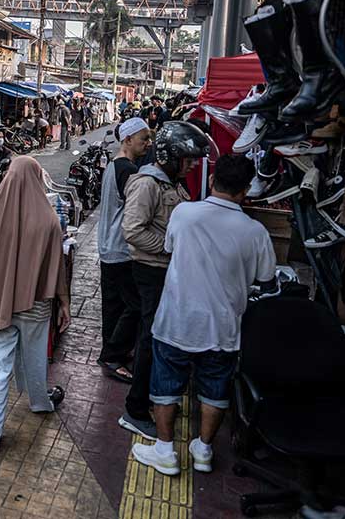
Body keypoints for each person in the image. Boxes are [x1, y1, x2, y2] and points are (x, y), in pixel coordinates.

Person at [132, 154, 275, 476]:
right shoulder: (256, 232)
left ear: (212, 180)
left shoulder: (185, 214)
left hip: (177, 322)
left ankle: (165, 451)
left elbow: (168, 248)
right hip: (223, 328)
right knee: (214, 388)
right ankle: (204, 449)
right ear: (246, 189)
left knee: (166, 386)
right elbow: (266, 281)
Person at [117, 121, 211, 440]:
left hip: (167, 272)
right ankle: (135, 409)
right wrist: (172, 247)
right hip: (151, 271)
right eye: (189, 159)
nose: (193, 165)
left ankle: (157, 400)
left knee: (158, 338)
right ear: (172, 156)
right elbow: (133, 231)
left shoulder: (171, 182)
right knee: (149, 340)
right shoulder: (148, 184)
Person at [0, 155, 70, 455]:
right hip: (37, 305)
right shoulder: (48, 220)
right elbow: (57, 269)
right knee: (35, 360)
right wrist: (64, 304)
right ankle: (40, 403)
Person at [96, 118, 152, 383]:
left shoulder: (112, 166)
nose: (148, 145)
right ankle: (113, 354)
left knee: (113, 304)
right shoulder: (128, 171)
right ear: (128, 140)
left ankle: (111, 351)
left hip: (107, 247)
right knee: (135, 305)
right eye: (144, 139)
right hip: (121, 249)